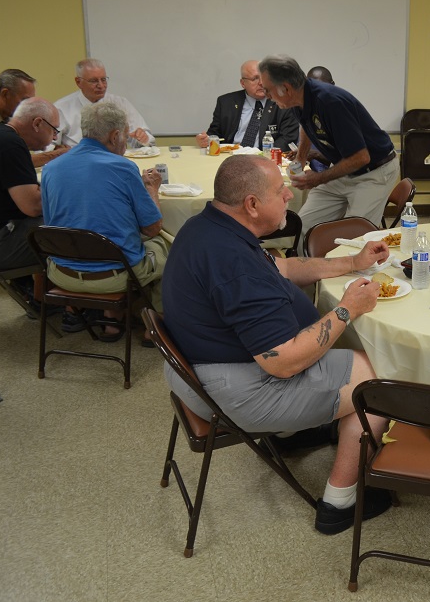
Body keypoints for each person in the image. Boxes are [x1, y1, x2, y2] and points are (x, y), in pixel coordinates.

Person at [161, 153, 393, 535]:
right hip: (237, 390)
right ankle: (340, 502)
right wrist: (349, 308)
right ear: (252, 204)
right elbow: (283, 362)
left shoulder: (210, 226)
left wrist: (352, 263)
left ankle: (293, 433)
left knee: (347, 358)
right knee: (379, 375)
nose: (289, 195)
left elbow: (282, 268)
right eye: (280, 190)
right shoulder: (234, 264)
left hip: (197, 371)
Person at [40, 102, 169, 342]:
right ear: (115, 135)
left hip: (61, 273)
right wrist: (152, 189)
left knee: (102, 238)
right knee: (168, 246)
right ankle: (155, 327)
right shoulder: (124, 168)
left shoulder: (51, 169)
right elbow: (153, 228)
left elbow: (51, 223)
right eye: (125, 136)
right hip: (114, 276)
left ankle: (113, 318)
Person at [258, 55, 399, 234]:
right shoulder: (296, 99)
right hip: (343, 169)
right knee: (302, 228)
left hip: (373, 172)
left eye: (268, 90)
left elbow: (361, 158)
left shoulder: (330, 102)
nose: (267, 96)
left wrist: (319, 178)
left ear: (286, 88)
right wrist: (301, 158)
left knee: (355, 236)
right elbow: (306, 125)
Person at [0, 98, 59, 272]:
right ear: (37, 123)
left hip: (0, 230)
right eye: (54, 130)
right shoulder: (10, 144)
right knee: (78, 227)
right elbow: (33, 206)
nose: (55, 137)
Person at [194, 60, 299, 151]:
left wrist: (262, 155)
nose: (261, 83)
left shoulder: (284, 103)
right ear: (243, 83)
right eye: (255, 79)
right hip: (231, 156)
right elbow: (215, 134)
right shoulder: (226, 102)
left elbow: (288, 138)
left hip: (264, 158)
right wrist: (206, 140)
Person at [54, 59, 154, 148]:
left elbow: (147, 141)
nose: (101, 86)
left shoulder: (121, 104)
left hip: (114, 160)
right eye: (94, 81)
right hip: (78, 160)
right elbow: (49, 146)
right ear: (78, 82)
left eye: (103, 80)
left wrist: (143, 138)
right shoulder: (61, 108)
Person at [0, 69, 69, 167]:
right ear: (5, 94)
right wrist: (55, 155)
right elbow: (13, 160)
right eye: (25, 100)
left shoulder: (9, 117)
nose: (29, 105)